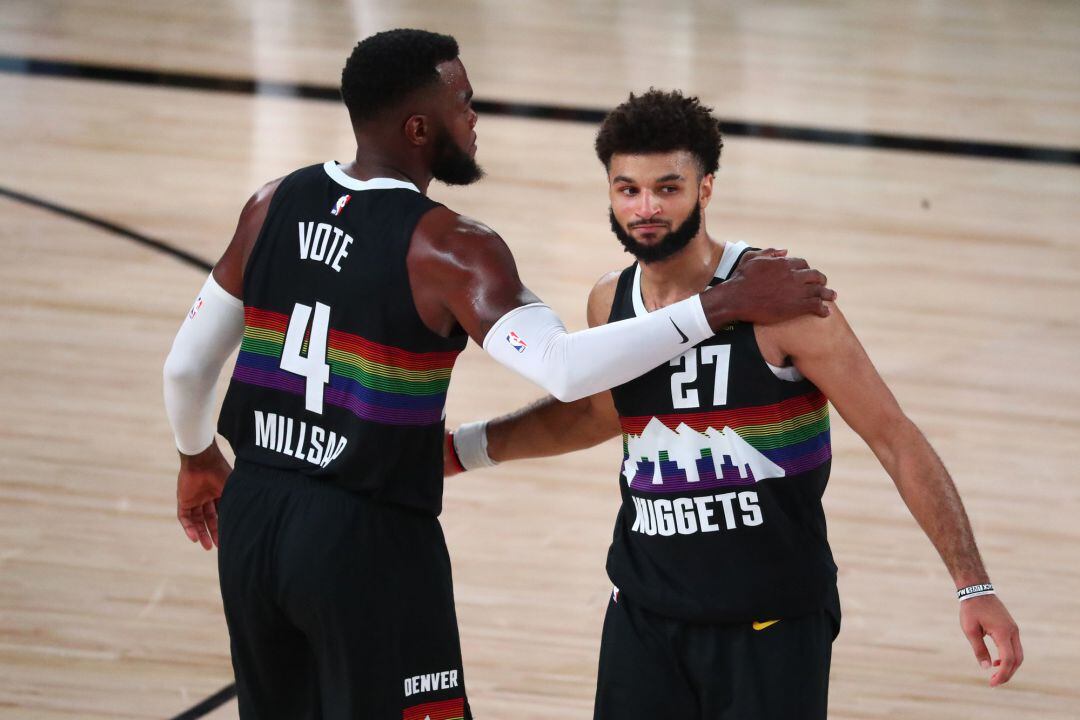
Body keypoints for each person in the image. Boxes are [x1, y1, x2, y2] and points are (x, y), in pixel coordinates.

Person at [161, 31, 835, 719]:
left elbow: (186, 366)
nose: (475, 116)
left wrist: (196, 456)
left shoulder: (272, 202)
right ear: (418, 127)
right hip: (362, 536)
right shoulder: (452, 247)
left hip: (253, 518)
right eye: (463, 101)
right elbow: (567, 369)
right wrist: (721, 304)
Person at [445, 89, 1023, 719]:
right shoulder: (609, 299)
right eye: (627, 189)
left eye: (667, 188)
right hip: (644, 615)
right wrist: (462, 449)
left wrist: (974, 584)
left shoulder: (781, 299)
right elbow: (595, 416)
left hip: (771, 623)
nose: (646, 208)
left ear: (706, 187)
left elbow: (894, 435)